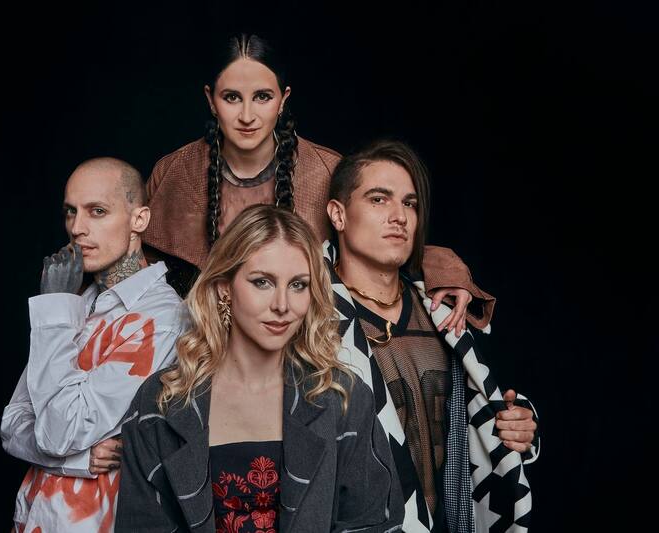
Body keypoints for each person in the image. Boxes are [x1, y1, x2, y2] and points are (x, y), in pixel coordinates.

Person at [142, 33, 493, 340]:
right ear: (210, 99)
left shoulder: (325, 170)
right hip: (194, 348)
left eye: (262, 97)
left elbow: (378, 236)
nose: (247, 115)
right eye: (232, 97)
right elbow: (139, 271)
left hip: (300, 351)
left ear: (283, 99)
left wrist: (444, 269)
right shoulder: (173, 172)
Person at [116, 205, 404, 532]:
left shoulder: (342, 397)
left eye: (298, 285)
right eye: (262, 282)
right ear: (224, 287)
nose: (282, 305)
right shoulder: (161, 402)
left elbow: (375, 523)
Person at [324, 140, 539, 532]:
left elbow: (485, 413)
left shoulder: (447, 314)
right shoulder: (308, 319)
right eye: (378, 199)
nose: (399, 217)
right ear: (338, 215)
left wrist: (516, 424)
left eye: (409, 203)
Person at [1, 157, 188, 532]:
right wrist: (75, 460)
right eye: (71, 212)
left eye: (97, 211)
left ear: (139, 219)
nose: (77, 228)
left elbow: (59, 432)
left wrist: (55, 306)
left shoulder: (161, 317)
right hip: (37, 518)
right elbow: (12, 424)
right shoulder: (79, 302)